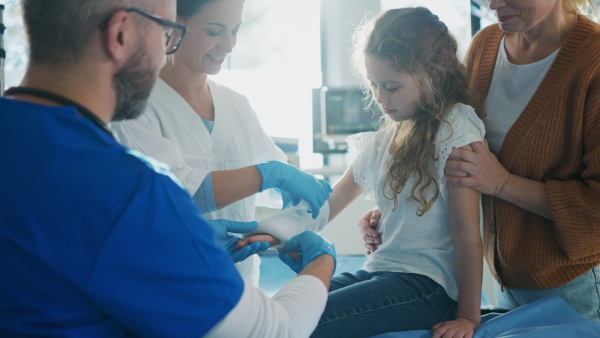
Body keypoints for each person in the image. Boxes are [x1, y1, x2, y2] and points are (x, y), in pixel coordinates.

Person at [0, 0, 336, 336]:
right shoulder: (125, 191)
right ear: (120, 34)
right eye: (167, 35)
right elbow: (275, 331)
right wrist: (322, 262)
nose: (166, 54)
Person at [240, 7, 486, 338]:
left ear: (433, 74)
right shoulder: (383, 141)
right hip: (379, 271)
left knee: (302, 324)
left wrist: (468, 317)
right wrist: (273, 231)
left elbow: (467, 230)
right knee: (281, 310)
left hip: (430, 287)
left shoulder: (455, 126)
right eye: (373, 84)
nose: (380, 97)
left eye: (392, 86)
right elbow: (329, 201)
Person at [361, 0, 600, 323]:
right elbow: (450, 147)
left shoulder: (594, 61)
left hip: (572, 285)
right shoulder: (486, 45)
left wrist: (503, 183)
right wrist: (401, 205)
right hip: (503, 279)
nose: (493, 3)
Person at [109, 0, 331, 286]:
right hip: (170, 284)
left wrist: (285, 226)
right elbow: (176, 192)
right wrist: (270, 174)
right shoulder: (134, 104)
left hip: (241, 284)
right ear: (173, 24)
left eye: (235, 30)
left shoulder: (236, 105)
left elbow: (286, 193)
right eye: (214, 31)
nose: (228, 45)